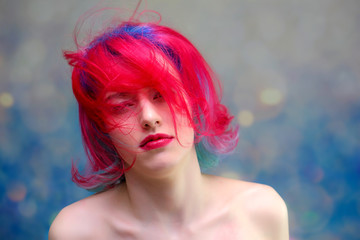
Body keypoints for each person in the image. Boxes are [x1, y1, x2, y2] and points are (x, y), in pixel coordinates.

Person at [49, 8, 289, 240]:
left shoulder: (260, 212)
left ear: (195, 103)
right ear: (103, 128)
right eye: (121, 106)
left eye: (163, 94)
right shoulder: (75, 232)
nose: (149, 118)